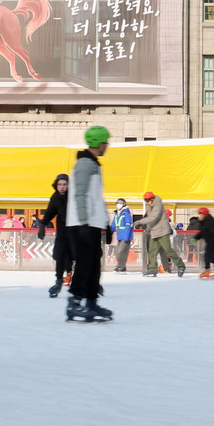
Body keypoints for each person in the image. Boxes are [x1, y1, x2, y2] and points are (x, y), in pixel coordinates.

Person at [65, 126, 113, 321]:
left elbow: (96, 197)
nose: (107, 146)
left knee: (94, 265)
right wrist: (84, 222)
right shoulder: (84, 164)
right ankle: (74, 303)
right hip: (81, 224)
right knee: (85, 264)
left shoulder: (93, 163)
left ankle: (91, 302)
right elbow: (80, 194)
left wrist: (106, 223)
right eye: (106, 142)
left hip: (92, 223)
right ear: (99, 143)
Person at [40, 173, 71, 297]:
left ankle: (90, 283)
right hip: (62, 233)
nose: (62, 187)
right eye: (60, 184)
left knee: (78, 257)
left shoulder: (73, 197)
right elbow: (50, 212)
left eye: (64, 184)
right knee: (59, 255)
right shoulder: (55, 197)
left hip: (75, 232)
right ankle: (59, 281)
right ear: (56, 185)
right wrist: (42, 225)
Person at [140, 192, 183, 277]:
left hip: (161, 233)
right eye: (146, 200)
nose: (147, 202)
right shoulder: (150, 209)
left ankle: (179, 266)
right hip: (153, 233)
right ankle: (153, 268)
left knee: (167, 251)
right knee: (152, 251)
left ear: (152, 199)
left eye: (148, 200)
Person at [195, 207, 214, 279]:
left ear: (205, 215)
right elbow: (202, 233)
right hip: (212, 243)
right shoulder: (204, 223)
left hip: (213, 243)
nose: (199, 216)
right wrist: (195, 238)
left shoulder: (209, 224)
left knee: (207, 256)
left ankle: (207, 270)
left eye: (200, 214)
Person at [110, 198, 134, 272]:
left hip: (125, 236)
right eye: (117, 203)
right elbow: (114, 224)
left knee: (121, 251)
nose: (118, 204)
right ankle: (120, 266)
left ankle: (121, 267)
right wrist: (109, 233)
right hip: (120, 235)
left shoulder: (126, 213)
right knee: (118, 252)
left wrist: (127, 236)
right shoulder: (117, 213)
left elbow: (128, 224)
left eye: (120, 203)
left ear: (124, 204)